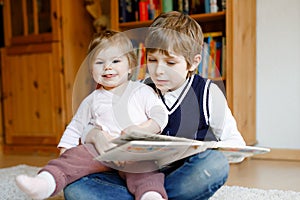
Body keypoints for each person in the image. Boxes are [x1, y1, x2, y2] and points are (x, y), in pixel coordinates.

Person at [62, 11, 246, 200]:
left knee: (216, 165)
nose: (159, 71)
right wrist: (95, 135)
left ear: (193, 63)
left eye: (171, 62)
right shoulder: (137, 89)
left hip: (180, 177)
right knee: (76, 190)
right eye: (152, 60)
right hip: (137, 177)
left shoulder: (208, 94)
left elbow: (236, 146)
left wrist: (204, 148)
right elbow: (95, 122)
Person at [15, 30, 169, 200]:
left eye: (116, 61)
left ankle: (150, 195)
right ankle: (45, 182)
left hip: (133, 150)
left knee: (146, 168)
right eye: (99, 62)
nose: (107, 67)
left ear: (130, 66)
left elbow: (160, 114)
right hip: (100, 151)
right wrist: (66, 152)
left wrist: (143, 129)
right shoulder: (92, 99)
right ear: (90, 69)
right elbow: (76, 126)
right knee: (76, 156)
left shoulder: (142, 91)